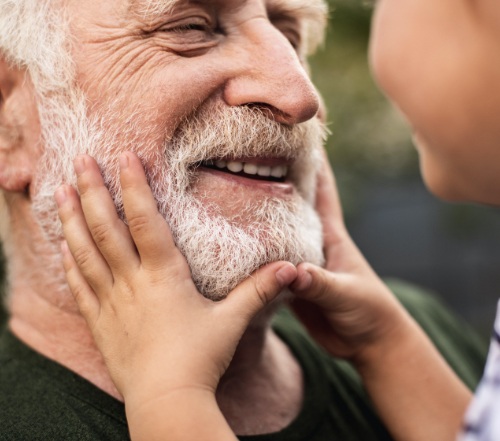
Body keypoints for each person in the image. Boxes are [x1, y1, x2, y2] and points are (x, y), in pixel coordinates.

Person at [0, 0, 487, 440]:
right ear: (9, 118)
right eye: (191, 27)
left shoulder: (422, 332)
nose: (299, 96)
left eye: (288, 31)